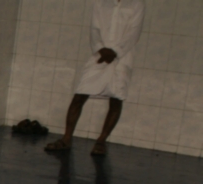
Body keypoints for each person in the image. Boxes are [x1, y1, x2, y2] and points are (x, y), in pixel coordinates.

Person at [44, 0, 145, 156]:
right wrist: (100, 49)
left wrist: (115, 52)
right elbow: (94, 29)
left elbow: (133, 33)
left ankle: (101, 141)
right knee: (79, 95)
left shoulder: (137, 3)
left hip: (122, 58)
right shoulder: (100, 2)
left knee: (116, 99)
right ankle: (66, 139)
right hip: (100, 55)